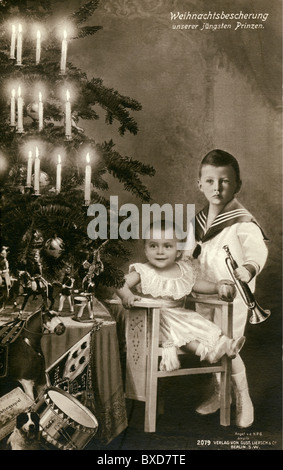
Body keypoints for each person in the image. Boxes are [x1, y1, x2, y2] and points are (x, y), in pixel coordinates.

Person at [187, 149, 268, 428]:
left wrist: (247, 269)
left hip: (233, 298)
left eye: (224, 181)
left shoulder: (242, 220)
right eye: (210, 181)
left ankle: (244, 397)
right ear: (200, 184)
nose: (217, 188)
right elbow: (189, 256)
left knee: (228, 346)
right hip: (204, 293)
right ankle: (221, 394)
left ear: (237, 185)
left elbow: (257, 251)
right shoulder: (198, 222)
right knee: (211, 344)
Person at [115, 220, 246, 372]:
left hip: (180, 316)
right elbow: (118, 282)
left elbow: (197, 285)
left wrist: (216, 287)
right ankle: (207, 352)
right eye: (153, 246)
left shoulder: (183, 270)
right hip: (154, 320)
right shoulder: (143, 271)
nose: (160, 251)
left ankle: (225, 345)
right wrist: (127, 296)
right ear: (145, 250)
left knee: (199, 323)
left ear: (178, 252)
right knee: (179, 329)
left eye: (167, 246)